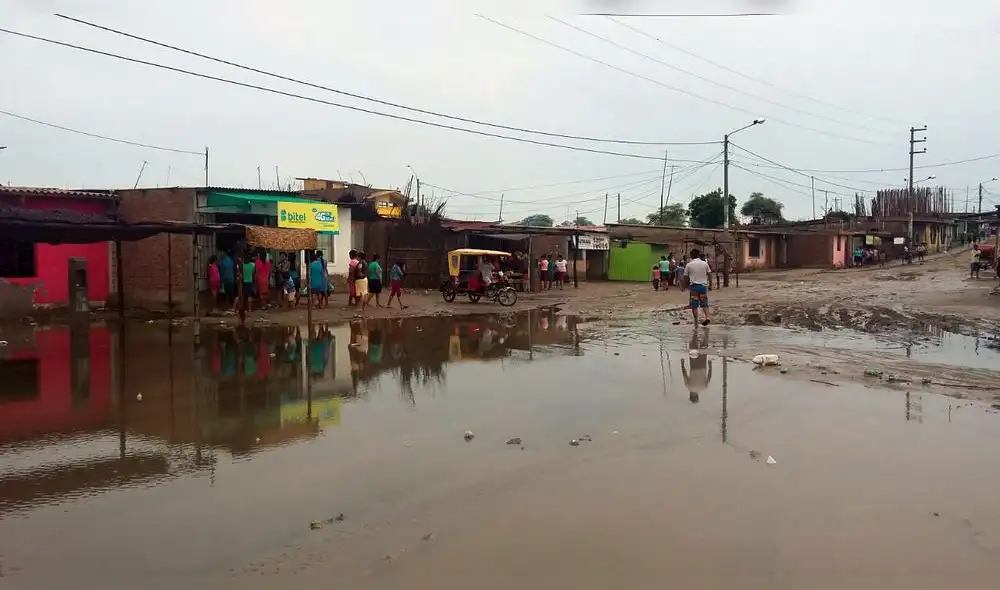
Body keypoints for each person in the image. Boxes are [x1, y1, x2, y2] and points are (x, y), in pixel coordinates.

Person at [681, 328, 713, 404]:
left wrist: (710, 365)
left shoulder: (703, 388)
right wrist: (682, 364)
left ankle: (706, 332)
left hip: (703, 366)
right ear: (691, 395)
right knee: (693, 347)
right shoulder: (689, 387)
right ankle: (695, 332)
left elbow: (709, 377)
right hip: (694, 366)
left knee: (703, 348)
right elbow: (684, 375)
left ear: (697, 395)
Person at [683, 248, 712, 326]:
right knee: (704, 303)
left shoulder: (689, 265)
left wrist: (683, 286)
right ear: (698, 255)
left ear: (691, 256)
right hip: (703, 287)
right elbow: (709, 274)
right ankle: (708, 317)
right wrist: (711, 285)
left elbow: (685, 277)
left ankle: (696, 322)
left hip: (694, 288)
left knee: (694, 305)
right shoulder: (704, 263)